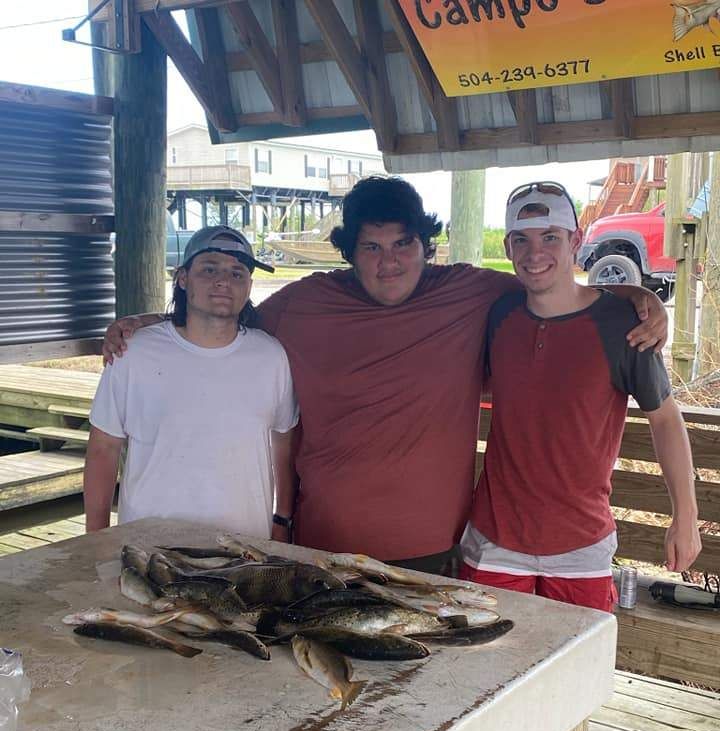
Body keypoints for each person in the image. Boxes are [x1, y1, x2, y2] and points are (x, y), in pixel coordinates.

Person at [102, 176, 668, 576]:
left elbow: (554, 287)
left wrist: (634, 295)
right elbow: (221, 316)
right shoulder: (304, 304)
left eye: (403, 244)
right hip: (321, 549)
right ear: (349, 253)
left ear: (426, 246)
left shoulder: (470, 292)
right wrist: (149, 321)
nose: (388, 261)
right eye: (370, 247)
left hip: (434, 554)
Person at [412, 181, 701, 731]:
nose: (535, 252)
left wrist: (686, 516)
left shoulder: (624, 324)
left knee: (568, 692)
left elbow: (665, 420)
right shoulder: (498, 312)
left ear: (576, 240)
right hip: (494, 541)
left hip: (581, 548)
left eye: (551, 238)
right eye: (521, 239)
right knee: (472, 688)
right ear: (507, 247)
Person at [85, 226, 298, 537]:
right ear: (183, 278)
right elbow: (103, 448)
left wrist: (282, 518)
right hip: (149, 547)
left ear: (249, 286)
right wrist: (96, 538)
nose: (223, 281)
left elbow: (284, 441)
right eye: (209, 269)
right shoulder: (132, 352)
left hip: (245, 548)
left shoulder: (272, 356)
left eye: (237, 273)